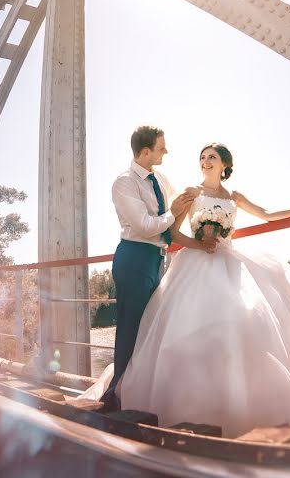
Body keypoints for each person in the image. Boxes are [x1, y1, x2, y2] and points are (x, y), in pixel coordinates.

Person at [113, 143, 290, 436]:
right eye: (202, 157)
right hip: (195, 264)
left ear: (225, 163)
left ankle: (245, 403)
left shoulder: (233, 196)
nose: (205, 161)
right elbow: (173, 232)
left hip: (230, 259)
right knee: (192, 330)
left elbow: (267, 213)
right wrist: (199, 243)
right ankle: (194, 407)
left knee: (248, 319)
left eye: (211, 157)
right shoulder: (191, 192)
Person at [98, 126, 208, 412]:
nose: (166, 152)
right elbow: (146, 226)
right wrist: (173, 211)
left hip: (157, 259)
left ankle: (138, 393)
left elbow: (177, 204)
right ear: (145, 151)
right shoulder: (123, 183)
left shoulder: (159, 177)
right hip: (134, 258)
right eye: (161, 148)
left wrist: (198, 197)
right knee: (131, 328)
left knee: (150, 328)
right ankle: (114, 396)